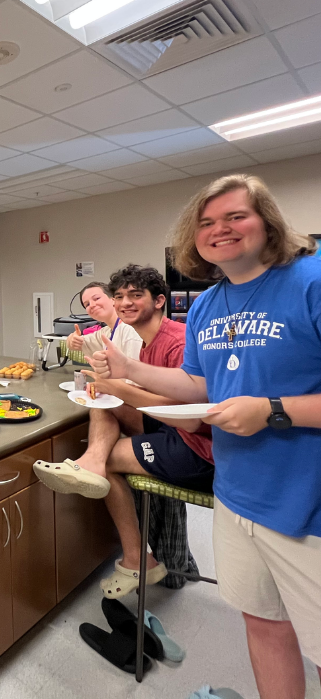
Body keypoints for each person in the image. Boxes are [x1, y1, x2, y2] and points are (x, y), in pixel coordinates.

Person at [89, 175, 321, 699]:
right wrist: (129, 368)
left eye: (236, 216)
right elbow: (197, 385)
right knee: (264, 626)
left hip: (309, 507)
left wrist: (274, 410)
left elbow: (255, 406)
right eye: (207, 222)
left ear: (268, 221)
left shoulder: (311, 280)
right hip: (237, 499)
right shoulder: (208, 306)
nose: (221, 229)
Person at [35, 265, 214, 598]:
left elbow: (186, 417)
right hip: (171, 427)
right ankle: (91, 461)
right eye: (119, 296)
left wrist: (115, 385)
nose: (124, 303)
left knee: (108, 461)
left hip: (197, 448)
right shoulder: (148, 342)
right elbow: (154, 397)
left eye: (135, 295)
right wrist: (110, 388)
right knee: (104, 404)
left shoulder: (176, 341)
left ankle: (137, 559)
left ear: (160, 300)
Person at [65, 281, 142, 360]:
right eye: (87, 304)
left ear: (113, 299)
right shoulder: (106, 332)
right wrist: (71, 340)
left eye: (97, 298)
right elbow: (81, 342)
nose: (92, 305)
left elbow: (136, 369)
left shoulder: (129, 329)